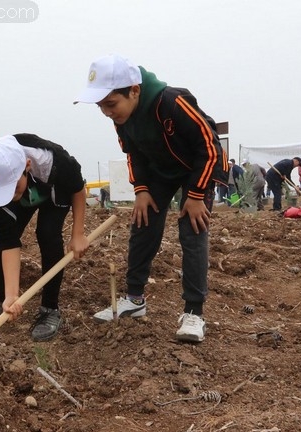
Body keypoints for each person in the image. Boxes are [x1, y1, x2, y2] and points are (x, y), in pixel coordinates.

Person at [75, 54, 228, 342]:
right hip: (160, 173)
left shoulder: (172, 102)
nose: (107, 112)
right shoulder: (122, 117)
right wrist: (141, 190)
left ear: (134, 90)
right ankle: (134, 300)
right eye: (100, 106)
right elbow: (133, 153)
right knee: (142, 224)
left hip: (197, 169)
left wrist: (195, 195)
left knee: (192, 230)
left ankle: (194, 313)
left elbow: (210, 146)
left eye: (110, 104)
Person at [0, 134, 89, 342]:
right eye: (2, 191)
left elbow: (77, 188)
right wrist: (12, 295)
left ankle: (49, 308)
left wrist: (78, 234)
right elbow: (9, 240)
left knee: (48, 234)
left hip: (53, 189)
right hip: (26, 192)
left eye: (12, 187)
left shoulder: (56, 162)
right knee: (1, 240)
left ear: (27, 165)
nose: (8, 195)